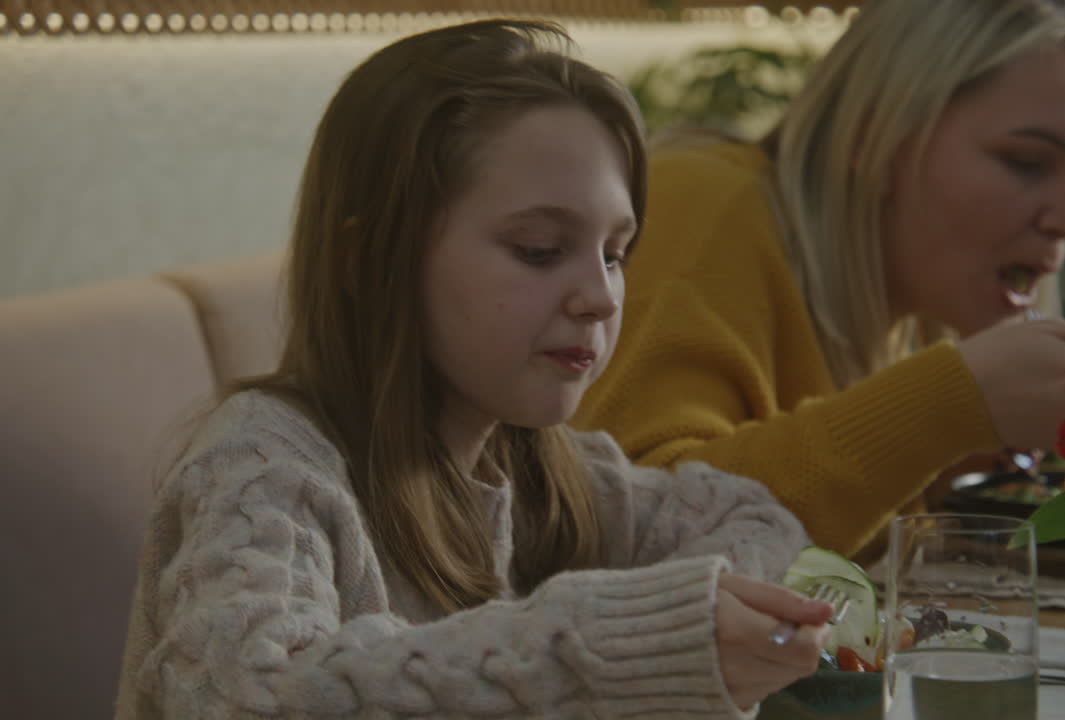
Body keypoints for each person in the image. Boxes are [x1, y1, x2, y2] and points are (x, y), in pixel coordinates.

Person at [114, 20, 833, 719]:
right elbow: (254, 698)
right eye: (541, 249)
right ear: (371, 262)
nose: (602, 295)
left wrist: (693, 623)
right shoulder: (262, 464)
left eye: (614, 252)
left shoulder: (544, 472)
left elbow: (756, 518)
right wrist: (600, 645)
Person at [573, 0, 1065, 561]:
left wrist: (947, 462)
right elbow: (634, 536)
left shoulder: (907, 308)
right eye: (1027, 161)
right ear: (874, 136)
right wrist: (941, 407)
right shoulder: (705, 204)